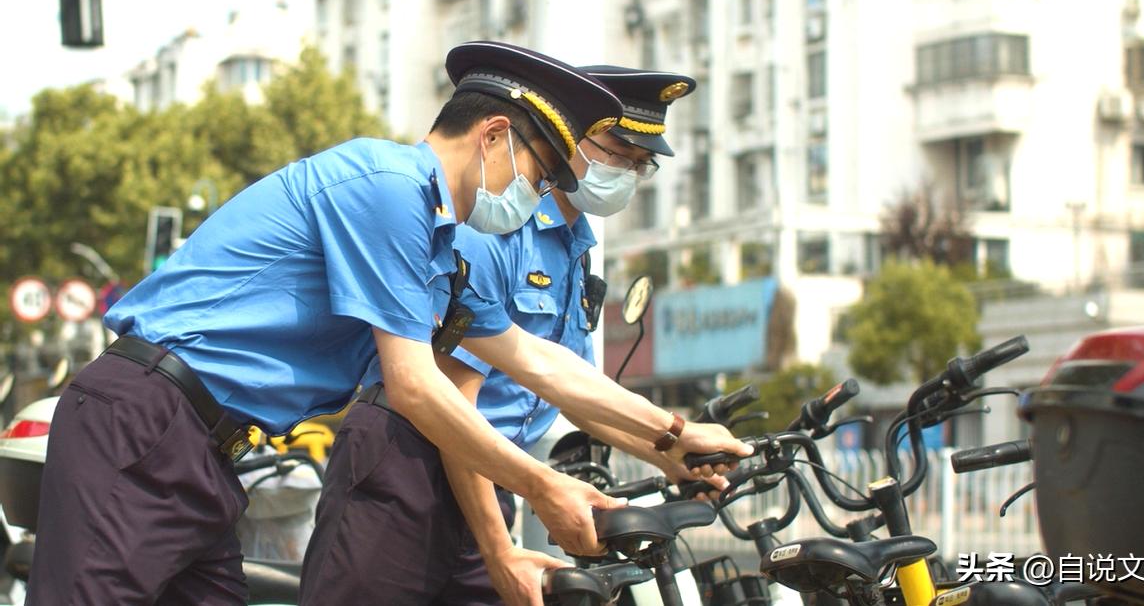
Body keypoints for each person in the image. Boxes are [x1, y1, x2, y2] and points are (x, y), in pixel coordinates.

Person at [28, 41, 749, 605]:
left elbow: (535, 360)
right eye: (544, 172)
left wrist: (673, 440)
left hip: (207, 449)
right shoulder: (388, 187)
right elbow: (413, 386)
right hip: (147, 421)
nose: (544, 193)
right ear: (494, 136)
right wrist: (544, 488)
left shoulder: (436, 237)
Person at [299, 66, 705, 606]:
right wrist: (498, 547)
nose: (627, 173)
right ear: (572, 137)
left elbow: (566, 388)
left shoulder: (575, 248)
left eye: (640, 165)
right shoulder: (490, 226)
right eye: (617, 153)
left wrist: (670, 448)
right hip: (411, 463)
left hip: (489, 472)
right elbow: (451, 399)